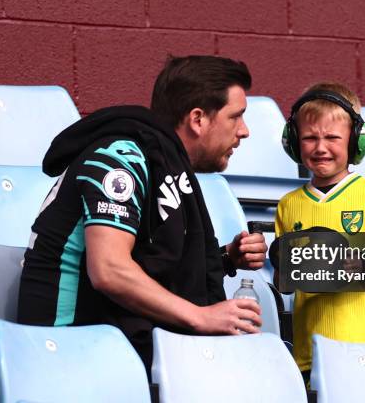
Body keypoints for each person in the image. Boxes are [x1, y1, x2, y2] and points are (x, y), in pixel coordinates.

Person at [17, 55, 267, 370]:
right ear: (198, 119)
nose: (244, 131)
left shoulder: (166, 164)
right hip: (64, 349)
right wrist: (200, 316)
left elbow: (151, 263)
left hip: (110, 345)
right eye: (236, 116)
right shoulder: (120, 159)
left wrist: (226, 259)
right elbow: (109, 270)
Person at [274, 82, 365, 382]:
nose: (320, 147)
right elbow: (285, 280)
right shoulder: (288, 206)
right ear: (294, 142)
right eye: (309, 138)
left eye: (332, 137)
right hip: (313, 353)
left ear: (356, 142)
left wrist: (361, 266)